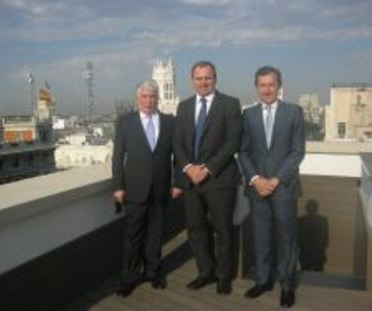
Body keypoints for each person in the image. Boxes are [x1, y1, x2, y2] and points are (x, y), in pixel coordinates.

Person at [173, 61, 242, 295]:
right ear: (192, 80)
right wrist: (188, 167)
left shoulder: (230, 104)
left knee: (222, 229)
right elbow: (177, 142)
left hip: (219, 178)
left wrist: (208, 168)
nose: (203, 82)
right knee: (196, 229)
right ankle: (205, 272)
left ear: (215, 78)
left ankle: (224, 276)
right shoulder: (183, 107)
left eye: (208, 78)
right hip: (191, 180)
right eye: (199, 78)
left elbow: (233, 142)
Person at [239, 66, 305, 308]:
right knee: (261, 237)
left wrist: (275, 180)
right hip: (257, 188)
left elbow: (298, 152)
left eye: (271, 84)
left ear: (279, 86)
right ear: (257, 87)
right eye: (262, 85)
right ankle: (263, 280)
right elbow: (242, 152)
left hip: (284, 187)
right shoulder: (247, 115)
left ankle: (287, 285)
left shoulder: (294, 112)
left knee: (287, 238)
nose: (267, 89)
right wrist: (256, 179)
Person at [112, 79, 181, 297]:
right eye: (145, 97)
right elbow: (117, 156)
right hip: (134, 189)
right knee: (133, 235)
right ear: (138, 99)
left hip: (161, 188)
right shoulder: (125, 122)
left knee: (155, 233)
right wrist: (118, 186)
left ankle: (153, 272)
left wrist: (177, 182)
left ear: (157, 98)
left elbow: (177, 155)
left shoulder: (169, 121)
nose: (149, 101)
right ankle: (129, 277)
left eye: (152, 96)